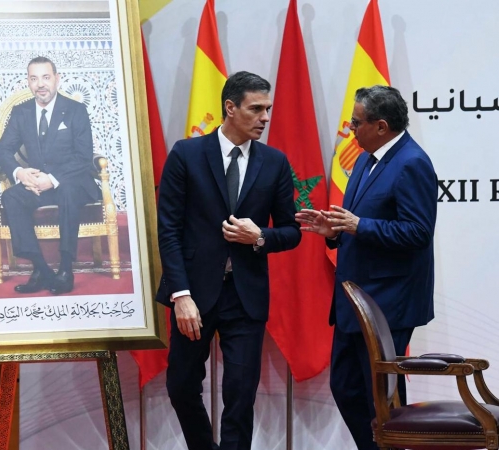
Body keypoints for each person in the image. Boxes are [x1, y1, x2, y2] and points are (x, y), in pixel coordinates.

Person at [156, 71, 301, 450]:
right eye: (256, 109)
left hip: (245, 295)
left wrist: (261, 237)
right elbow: (168, 230)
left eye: (268, 109)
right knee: (181, 386)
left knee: (240, 395)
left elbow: (291, 231)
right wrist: (180, 294)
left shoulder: (274, 162)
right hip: (193, 294)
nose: (265, 118)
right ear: (230, 107)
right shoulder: (186, 155)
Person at [296, 85, 437, 450]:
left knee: (383, 398)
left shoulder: (412, 162)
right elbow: (359, 224)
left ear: (381, 125)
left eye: (356, 122)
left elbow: (418, 232)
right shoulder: (363, 158)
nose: (350, 127)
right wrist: (335, 232)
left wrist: (360, 225)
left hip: (388, 303)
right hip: (355, 301)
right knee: (345, 386)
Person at [0, 55, 99, 295]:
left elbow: (83, 157)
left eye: (45, 77)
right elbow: (2, 150)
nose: (40, 84)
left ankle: (65, 269)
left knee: (68, 192)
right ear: (29, 83)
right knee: (11, 197)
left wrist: (51, 179)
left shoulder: (75, 110)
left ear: (57, 79)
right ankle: (41, 268)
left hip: (73, 182)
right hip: (37, 184)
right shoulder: (21, 113)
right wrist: (21, 173)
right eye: (34, 78)